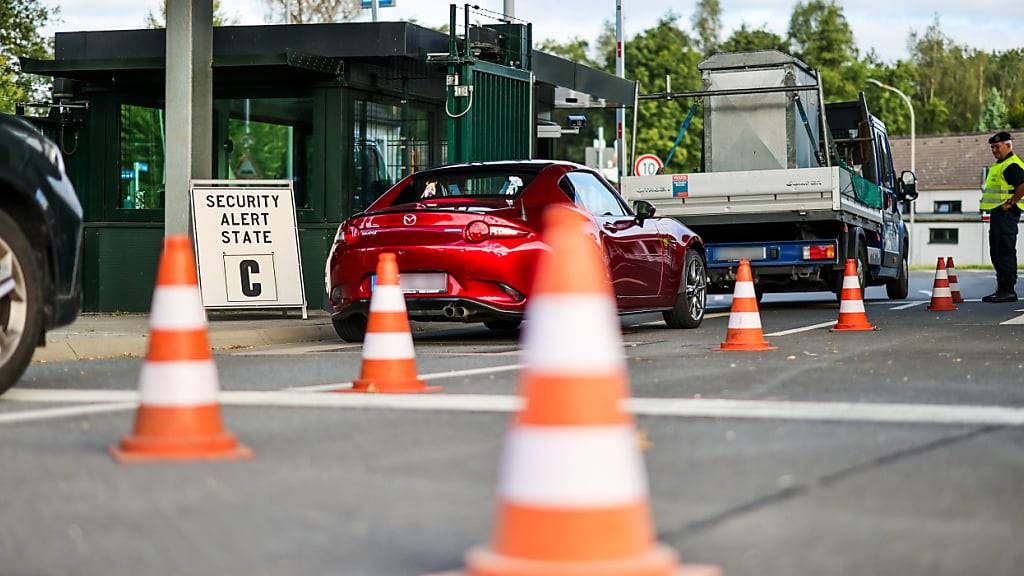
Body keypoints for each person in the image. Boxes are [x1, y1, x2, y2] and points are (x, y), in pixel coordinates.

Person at [981, 131, 1024, 303]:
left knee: (1004, 250)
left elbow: (1022, 185)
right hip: (999, 214)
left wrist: (1011, 202)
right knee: (997, 250)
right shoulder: (1000, 164)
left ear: (1008, 145)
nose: (994, 150)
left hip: (1006, 214)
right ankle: (1002, 288)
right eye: (992, 147)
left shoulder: (1011, 165)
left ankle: (1008, 290)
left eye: (997, 146)